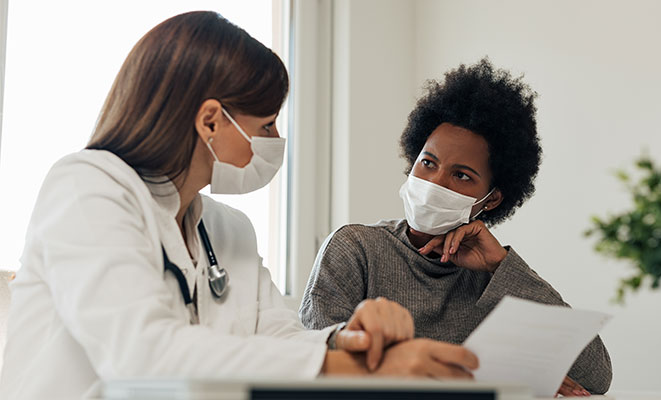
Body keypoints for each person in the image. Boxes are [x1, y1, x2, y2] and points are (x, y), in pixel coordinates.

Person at [0, 12, 478, 400]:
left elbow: (280, 337)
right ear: (211, 120)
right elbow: (142, 354)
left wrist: (346, 340)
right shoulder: (87, 187)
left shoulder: (229, 229)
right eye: (267, 124)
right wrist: (358, 371)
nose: (275, 141)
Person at [300, 58, 613, 396]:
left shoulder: (495, 277)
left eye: (462, 175)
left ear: (491, 200)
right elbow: (313, 365)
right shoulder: (356, 248)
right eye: (428, 163)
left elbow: (596, 377)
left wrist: (501, 267)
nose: (436, 181)